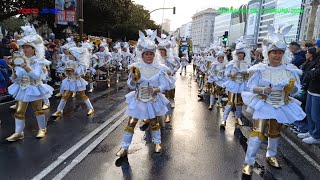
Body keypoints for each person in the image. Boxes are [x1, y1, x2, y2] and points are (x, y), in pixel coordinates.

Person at [241, 24, 306, 175]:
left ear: (284, 54)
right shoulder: (260, 68)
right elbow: (251, 87)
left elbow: (296, 90)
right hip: (264, 104)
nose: (277, 56)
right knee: (257, 133)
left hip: (281, 104)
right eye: (274, 53)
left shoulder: (289, 70)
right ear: (268, 53)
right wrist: (263, 90)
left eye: (280, 53)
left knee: (275, 132)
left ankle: (271, 155)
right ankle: (248, 162)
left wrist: (290, 88)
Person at [116, 30, 170, 157]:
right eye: (146, 54)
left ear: (154, 55)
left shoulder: (160, 68)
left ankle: (157, 143)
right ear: (142, 55)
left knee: (154, 122)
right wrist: (134, 81)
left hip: (153, 100)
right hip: (139, 100)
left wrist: (155, 89)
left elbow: (165, 85)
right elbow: (130, 85)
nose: (149, 56)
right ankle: (124, 148)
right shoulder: (135, 67)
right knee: (131, 123)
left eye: (151, 54)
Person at [6, 24, 54, 141]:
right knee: (19, 111)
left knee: (38, 110)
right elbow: (17, 77)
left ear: (34, 49)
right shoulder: (20, 60)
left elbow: (37, 75)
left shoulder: (39, 61)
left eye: (28, 47)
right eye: (24, 47)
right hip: (22, 88)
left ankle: (42, 129)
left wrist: (26, 67)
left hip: (34, 87)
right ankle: (18, 132)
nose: (25, 49)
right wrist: (14, 74)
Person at [51, 46, 94, 117]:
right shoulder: (68, 62)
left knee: (83, 95)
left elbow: (80, 73)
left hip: (77, 81)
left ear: (75, 55)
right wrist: (66, 72)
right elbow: (65, 71)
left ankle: (91, 108)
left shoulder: (81, 64)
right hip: (69, 80)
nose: (69, 55)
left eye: (71, 54)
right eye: (69, 54)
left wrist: (74, 71)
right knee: (65, 95)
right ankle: (59, 110)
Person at [222, 37, 251, 127]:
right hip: (233, 84)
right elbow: (226, 73)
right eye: (239, 53)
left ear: (244, 54)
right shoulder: (232, 63)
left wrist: (246, 75)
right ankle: (224, 120)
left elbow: (249, 75)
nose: (240, 55)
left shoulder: (247, 64)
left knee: (239, 103)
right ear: (236, 54)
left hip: (242, 84)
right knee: (230, 102)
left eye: (242, 53)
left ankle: (238, 119)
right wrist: (232, 75)